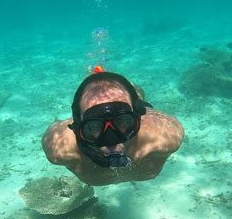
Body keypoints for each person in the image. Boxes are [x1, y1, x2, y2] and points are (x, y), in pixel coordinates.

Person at [42, 68, 184, 186]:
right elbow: (55, 130)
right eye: (94, 126)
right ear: (77, 125)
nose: (111, 140)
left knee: (137, 97)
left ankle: (131, 94)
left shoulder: (164, 138)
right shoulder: (60, 150)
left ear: (137, 119)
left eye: (122, 122)